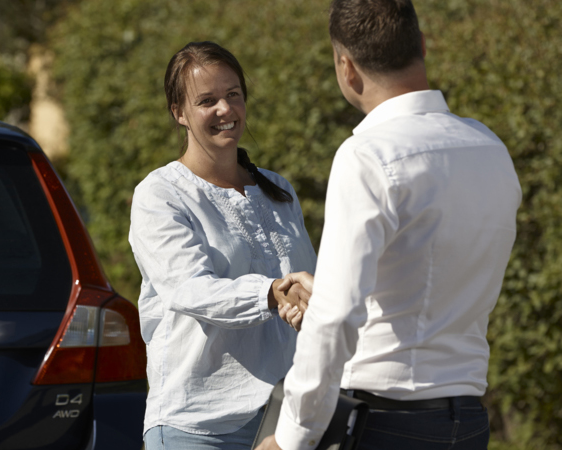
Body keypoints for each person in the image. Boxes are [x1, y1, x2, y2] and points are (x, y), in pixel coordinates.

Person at [254, 1, 522, 449]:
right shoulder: (490, 147)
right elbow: (434, 287)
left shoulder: (367, 156)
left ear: (347, 68)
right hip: (468, 421)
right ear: (421, 44)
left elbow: (338, 317)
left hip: (385, 421)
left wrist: (290, 438)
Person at [129, 41, 316, 450]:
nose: (225, 110)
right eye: (206, 101)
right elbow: (189, 289)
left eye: (233, 95)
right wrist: (270, 293)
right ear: (179, 113)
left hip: (285, 423)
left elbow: (307, 285)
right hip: (197, 428)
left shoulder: (279, 190)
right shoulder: (160, 195)